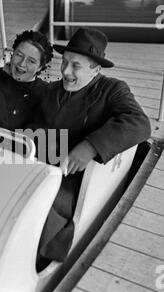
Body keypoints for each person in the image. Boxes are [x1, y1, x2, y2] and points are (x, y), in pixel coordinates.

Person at [36, 27, 151, 268]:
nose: (66, 71)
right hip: (43, 168)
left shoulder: (113, 90)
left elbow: (139, 123)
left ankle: (42, 261)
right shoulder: (50, 92)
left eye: (75, 66)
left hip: (76, 180)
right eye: (64, 62)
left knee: (41, 211)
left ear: (96, 69)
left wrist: (89, 146)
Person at [0, 30, 53, 130]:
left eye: (31, 61)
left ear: (40, 67)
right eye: (19, 55)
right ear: (12, 53)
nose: (22, 64)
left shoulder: (45, 93)